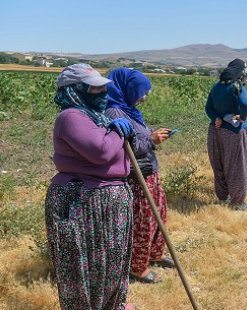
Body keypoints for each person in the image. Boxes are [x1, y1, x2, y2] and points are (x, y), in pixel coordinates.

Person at [45, 64, 136, 309]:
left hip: (107, 204)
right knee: (85, 270)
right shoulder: (70, 117)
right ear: (75, 90)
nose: (102, 93)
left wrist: (119, 130)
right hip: (82, 202)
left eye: (102, 87)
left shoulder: (98, 118)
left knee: (111, 268)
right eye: (94, 88)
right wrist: (118, 133)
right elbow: (101, 151)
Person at [105, 68, 175, 284]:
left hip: (149, 172)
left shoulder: (130, 109)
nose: (144, 97)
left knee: (158, 214)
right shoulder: (115, 113)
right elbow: (124, 147)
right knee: (143, 222)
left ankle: (155, 254)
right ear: (127, 89)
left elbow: (138, 134)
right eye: (140, 92)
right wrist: (151, 140)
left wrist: (153, 133)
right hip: (137, 178)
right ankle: (137, 267)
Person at [205, 58, 247, 211]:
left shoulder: (218, 85)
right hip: (234, 132)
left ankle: (223, 197)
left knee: (219, 165)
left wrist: (216, 118)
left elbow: (208, 107)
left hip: (216, 131)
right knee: (237, 166)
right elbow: (245, 104)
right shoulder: (237, 85)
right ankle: (237, 203)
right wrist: (243, 117)